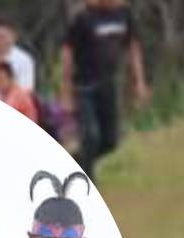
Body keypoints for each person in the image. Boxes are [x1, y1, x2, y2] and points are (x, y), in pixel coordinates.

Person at [62, 0, 150, 181]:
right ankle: (88, 181)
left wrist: (139, 82)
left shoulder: (124, 14)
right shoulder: (84, 17)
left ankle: (72, 163)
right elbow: (68, 53)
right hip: (84, 86)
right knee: (91, 136)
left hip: (109, 85)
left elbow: (133, 47)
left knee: (111, 141)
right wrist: (66, 91)